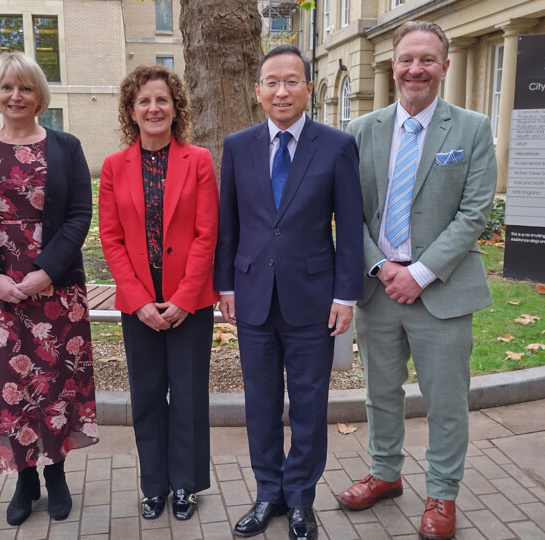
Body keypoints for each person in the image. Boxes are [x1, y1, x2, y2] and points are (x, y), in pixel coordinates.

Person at [336, 21, 498, 540]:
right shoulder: (361, 132)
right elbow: (348, 213)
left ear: (444, 67)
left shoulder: (471, 129)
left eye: (427, 60)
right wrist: (381, 268)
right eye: (407, 59)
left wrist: (421, 274)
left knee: (445, 401)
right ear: (393, 65)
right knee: (380, 393)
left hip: (443, 292)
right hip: (377, 290)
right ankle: (385, 474)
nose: (415, 69)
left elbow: (475, 213)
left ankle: (442, 494)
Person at [214, 45, 363, 540]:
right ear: (258, 91)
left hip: (313, 301)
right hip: (253, 296)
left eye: (293, 81)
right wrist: (226, 284)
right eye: (272, 82)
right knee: (259, 404)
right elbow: (228, 225)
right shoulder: (237, 146)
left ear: (307, 89)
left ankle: (300, 500)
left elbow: (348, 226)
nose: (282, 91)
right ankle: (268, 494)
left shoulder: (337, 146)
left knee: (308, 406)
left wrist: (346, 296)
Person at [0, 51, 98, 527]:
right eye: (8, 87)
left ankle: (56, 474)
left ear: (40, 96)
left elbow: (79, 215)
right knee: (7, 387)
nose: (16, 96)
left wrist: (45, 271)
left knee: (52, 384)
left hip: (52, 291)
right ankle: (24, 478)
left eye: (26, 88)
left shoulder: (66, 146)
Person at [99, 65, 219, 522]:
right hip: (139, 305)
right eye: (144, 100)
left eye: (162, 100)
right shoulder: (114, 166)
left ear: (176, 108)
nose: (154, 108)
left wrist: (187, 298)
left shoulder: (199, 160)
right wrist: (139, 299)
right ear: (131, 109)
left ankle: (186, 484)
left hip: (190, 303)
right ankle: (153, 486)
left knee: (188, 395)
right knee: (147, 395)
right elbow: (110, 238)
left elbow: (208, 234)